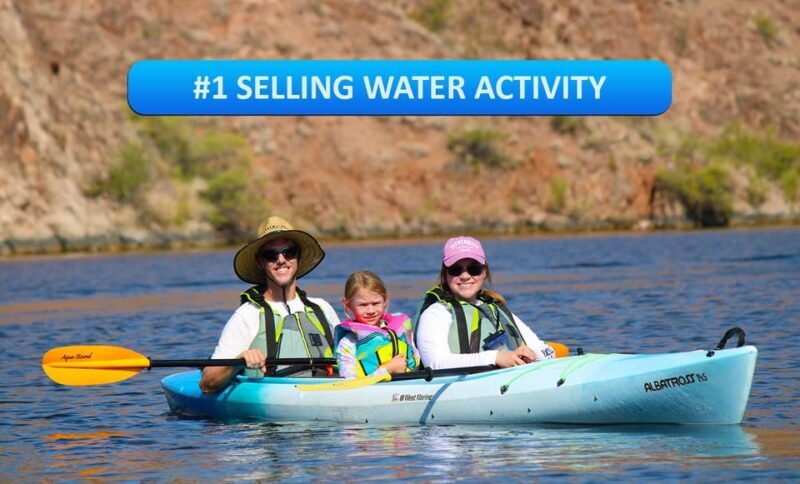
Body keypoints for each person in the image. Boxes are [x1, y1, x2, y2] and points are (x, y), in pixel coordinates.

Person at [200, 216, 340, 393]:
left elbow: (350, 360)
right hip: (273, 410)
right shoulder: (247, 315)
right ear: (260, 262)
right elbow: (207, 383)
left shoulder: (322, 308)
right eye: (271, 255)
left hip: (329, 394)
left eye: (289, 252)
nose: (281, 260)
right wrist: (239, 360)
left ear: (298, 257)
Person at [414, 236, 555, 370]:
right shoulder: (436, 313)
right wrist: (496, 358)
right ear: (445, 275)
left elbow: (548, 351)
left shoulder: (496, 310)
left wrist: (533, 355)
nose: (465, 276)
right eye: (455, 270)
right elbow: (435, 363)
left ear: (484, 272)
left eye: (473, 269)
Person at [334, 270, 420, 379]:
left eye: (375, 303)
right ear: (348, 305)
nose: (371, 310)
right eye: (363, 305)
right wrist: (387, 369)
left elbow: (416, 357)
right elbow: (349, 382)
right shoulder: (348, 342)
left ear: (384, 300)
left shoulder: (399, 329)